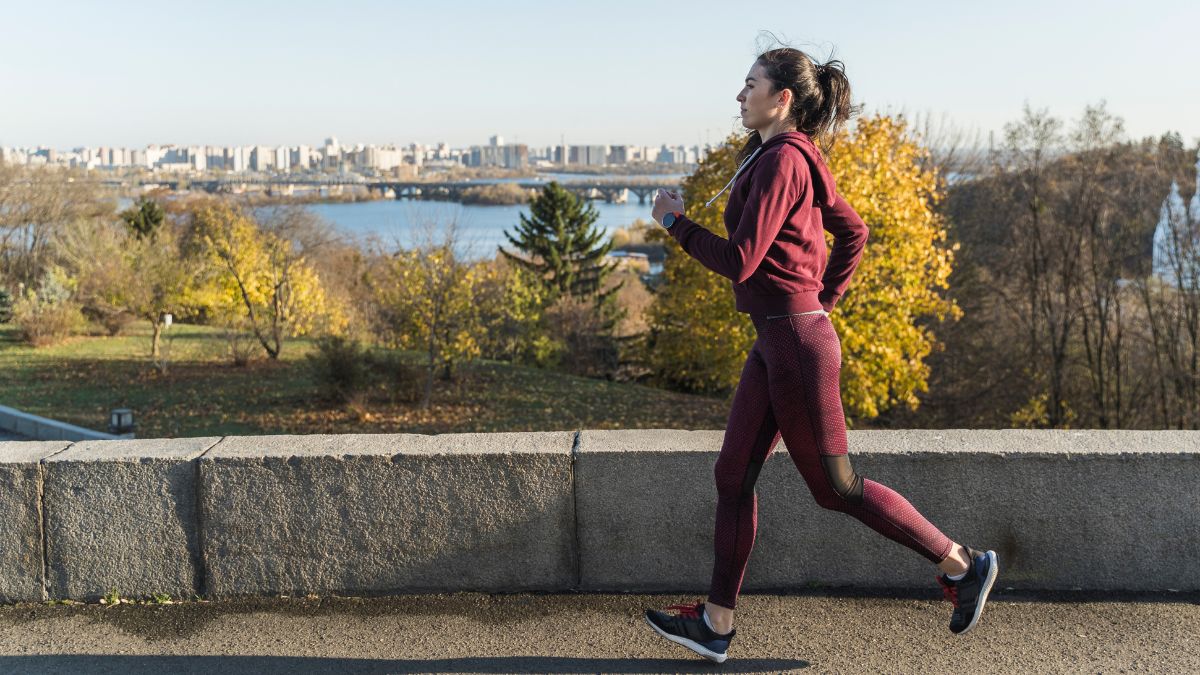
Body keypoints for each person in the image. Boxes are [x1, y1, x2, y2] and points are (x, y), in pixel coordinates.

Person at [641, 46, 998, 664]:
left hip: (797, 347)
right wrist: (820, 301)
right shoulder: (786, 155)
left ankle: (963, 564)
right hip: (780, 337)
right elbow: (852, 232)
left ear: (781, 98)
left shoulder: (784, 159)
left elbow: (741, 261)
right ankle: (716, 623)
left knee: (837, 488)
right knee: (732, 477)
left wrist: (674, 223)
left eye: (749, 84)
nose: (738, 95)